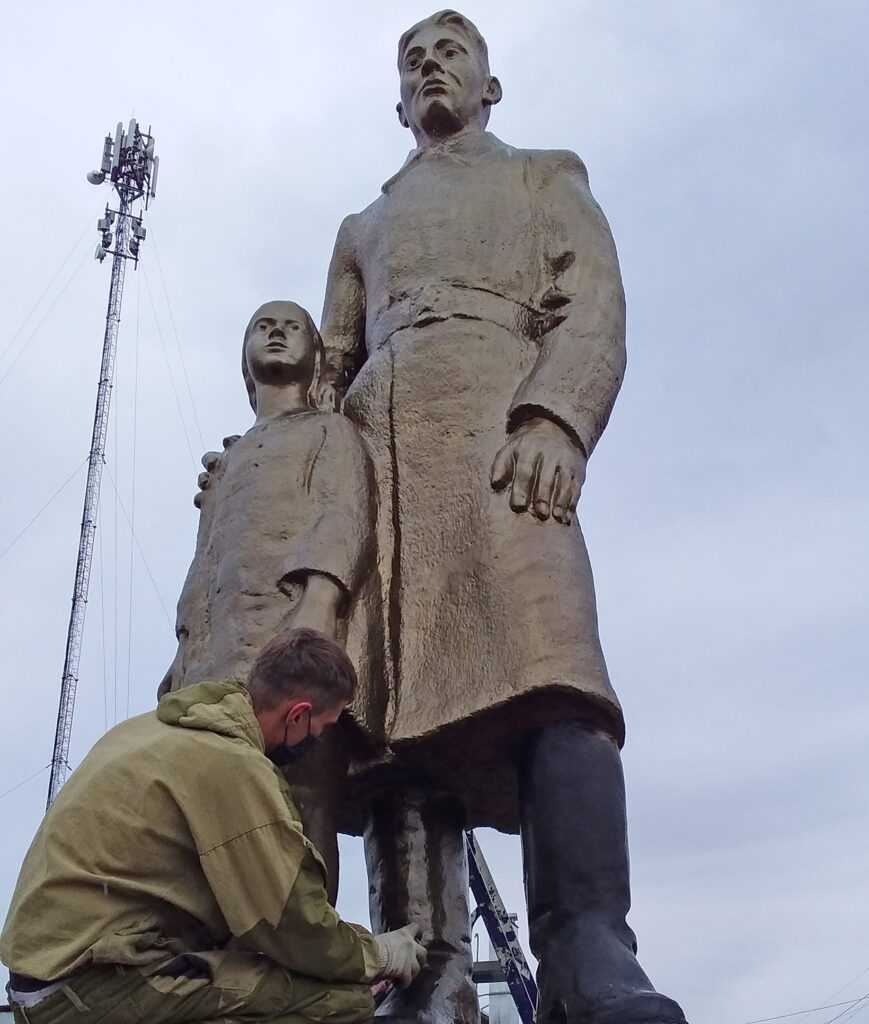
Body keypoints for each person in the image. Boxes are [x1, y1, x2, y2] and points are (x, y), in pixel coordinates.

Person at [319, 10, 687, 1024]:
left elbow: (594, 305)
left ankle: (585, 948)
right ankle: (425, 972)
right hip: (381, 456)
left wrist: (557, 419)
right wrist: (271, 473)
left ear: (490, 86)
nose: (431, 68)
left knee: (551, 667)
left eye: (451, 54)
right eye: (412, 61)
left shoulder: (541, 178)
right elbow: (326, 372)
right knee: (389, 720)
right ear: (398, 101)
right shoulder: (363, 227)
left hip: (499, 431)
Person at [1, 629, 426, 1023]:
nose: (321, 738)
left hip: (54, 972)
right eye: (324, 726)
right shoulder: (232, 765)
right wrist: (383, 954)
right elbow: (292, 925)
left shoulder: (153, 730)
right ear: (298, 716)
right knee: (342, 1001)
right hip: (85, 988)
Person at [160, 300, 386, 896]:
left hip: (288, 648)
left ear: (314, 354)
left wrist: (318, 605)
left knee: (298, 810)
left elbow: (343, 515)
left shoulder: (330, 433)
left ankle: (300, 965)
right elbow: (207, 563)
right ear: (244, 357)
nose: (278, 332)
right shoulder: (229, 462)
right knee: (202, 818)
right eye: (263, 325)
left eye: (292, 326)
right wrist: (182, 652)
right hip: (210, 667)